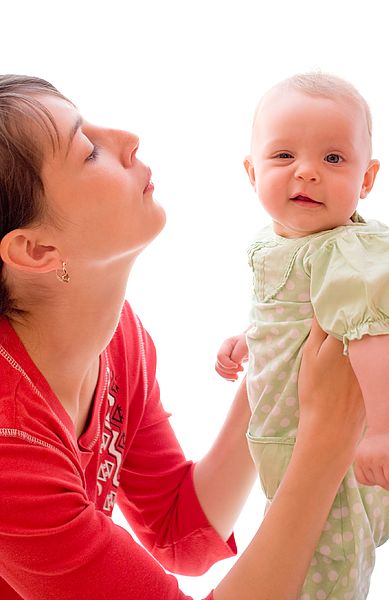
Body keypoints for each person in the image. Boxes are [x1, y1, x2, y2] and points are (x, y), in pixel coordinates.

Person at [0, 75, 367, 600]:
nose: (128, 139)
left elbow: (181, 533)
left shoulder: (116, 337)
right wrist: (325, 445)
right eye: (87, 151)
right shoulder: (9, 450)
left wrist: (280, 356)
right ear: (35, 251)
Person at [216, 72, 389, 599]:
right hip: (288, 436)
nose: (307, 172)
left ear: (366, 179)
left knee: (327, 566)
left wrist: (386, 433)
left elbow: (377, 345)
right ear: (250, 170)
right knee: (291, 552)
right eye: (284, 156)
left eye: (333, 159)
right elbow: (292, 313)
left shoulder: (348, 253)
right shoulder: (280, 241)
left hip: (341, 449)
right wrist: (251, 340)